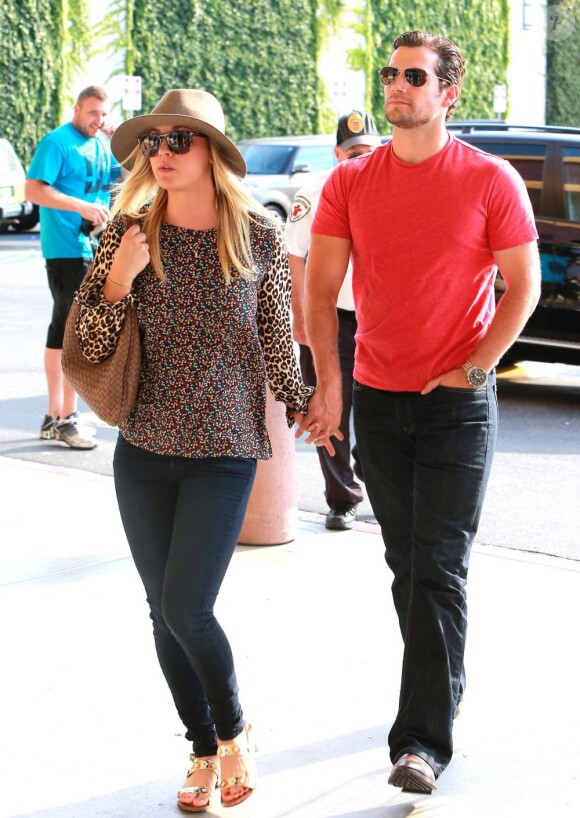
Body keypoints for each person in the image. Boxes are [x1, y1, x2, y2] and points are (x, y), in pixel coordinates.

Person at [300, 31, 541, 793]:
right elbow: (319, 289)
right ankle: (441, 691)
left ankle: (421, 743)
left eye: (413, 76)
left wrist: (476, 369)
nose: (395, 86)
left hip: (458, 406)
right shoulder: (351, 183)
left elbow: (522, 286)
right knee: (407, 566)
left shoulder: (490, 178)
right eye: (389, 75)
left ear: (448, 94)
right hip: (378, 393)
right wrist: (329, 383)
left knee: (438, 566)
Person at [73, 89, 320, 812]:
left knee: (188, 606)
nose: (163, 153)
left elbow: (277, 340)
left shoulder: (258, 236)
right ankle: (202, 748)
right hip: (143, 447)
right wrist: (118, 280)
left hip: (224, 447)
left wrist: (308, 403)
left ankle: (234, 731)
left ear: (213, 151)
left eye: (180, 140)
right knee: (162, 611)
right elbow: (86, 348)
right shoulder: (125, 234)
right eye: (155, 142)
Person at [285, 110, 381, 530]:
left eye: (368, 151)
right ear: (337, 153)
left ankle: (374, 479)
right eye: (353, 152)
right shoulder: (315, 192)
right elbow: (294, 257)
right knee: (329, 411)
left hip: (380, 318)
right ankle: (341, 499)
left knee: (381, 410)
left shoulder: (391, 187)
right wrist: (300, 316)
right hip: (332, 318)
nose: (361, 159)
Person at [26, 85, 121, 449]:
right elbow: (33, 190)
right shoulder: (57, 142)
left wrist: (119, 139)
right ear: (77, 109)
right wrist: (80, 207)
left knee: (62, 327)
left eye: (103, 114)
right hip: (66, 249)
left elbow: (129, 175)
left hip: (92, 246)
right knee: (73, 331)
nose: (98, 120)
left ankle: (55, 416)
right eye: (92, 113)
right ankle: (65, 418)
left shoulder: (100, 143)